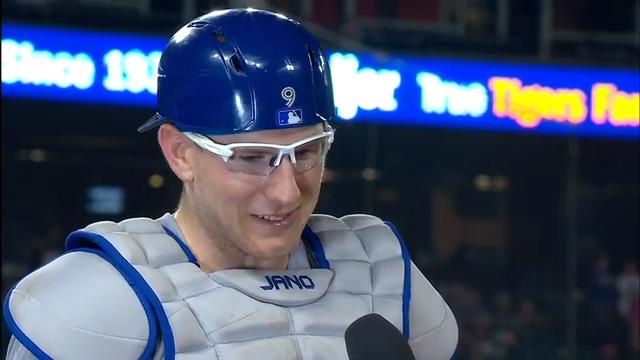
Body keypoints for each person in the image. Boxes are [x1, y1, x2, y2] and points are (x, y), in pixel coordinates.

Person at [3, 8, 458, 359]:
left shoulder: (382, 273)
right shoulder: (99, 296)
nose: (286, 191)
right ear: (180, 153)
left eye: (306, 153)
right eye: (252, 158)